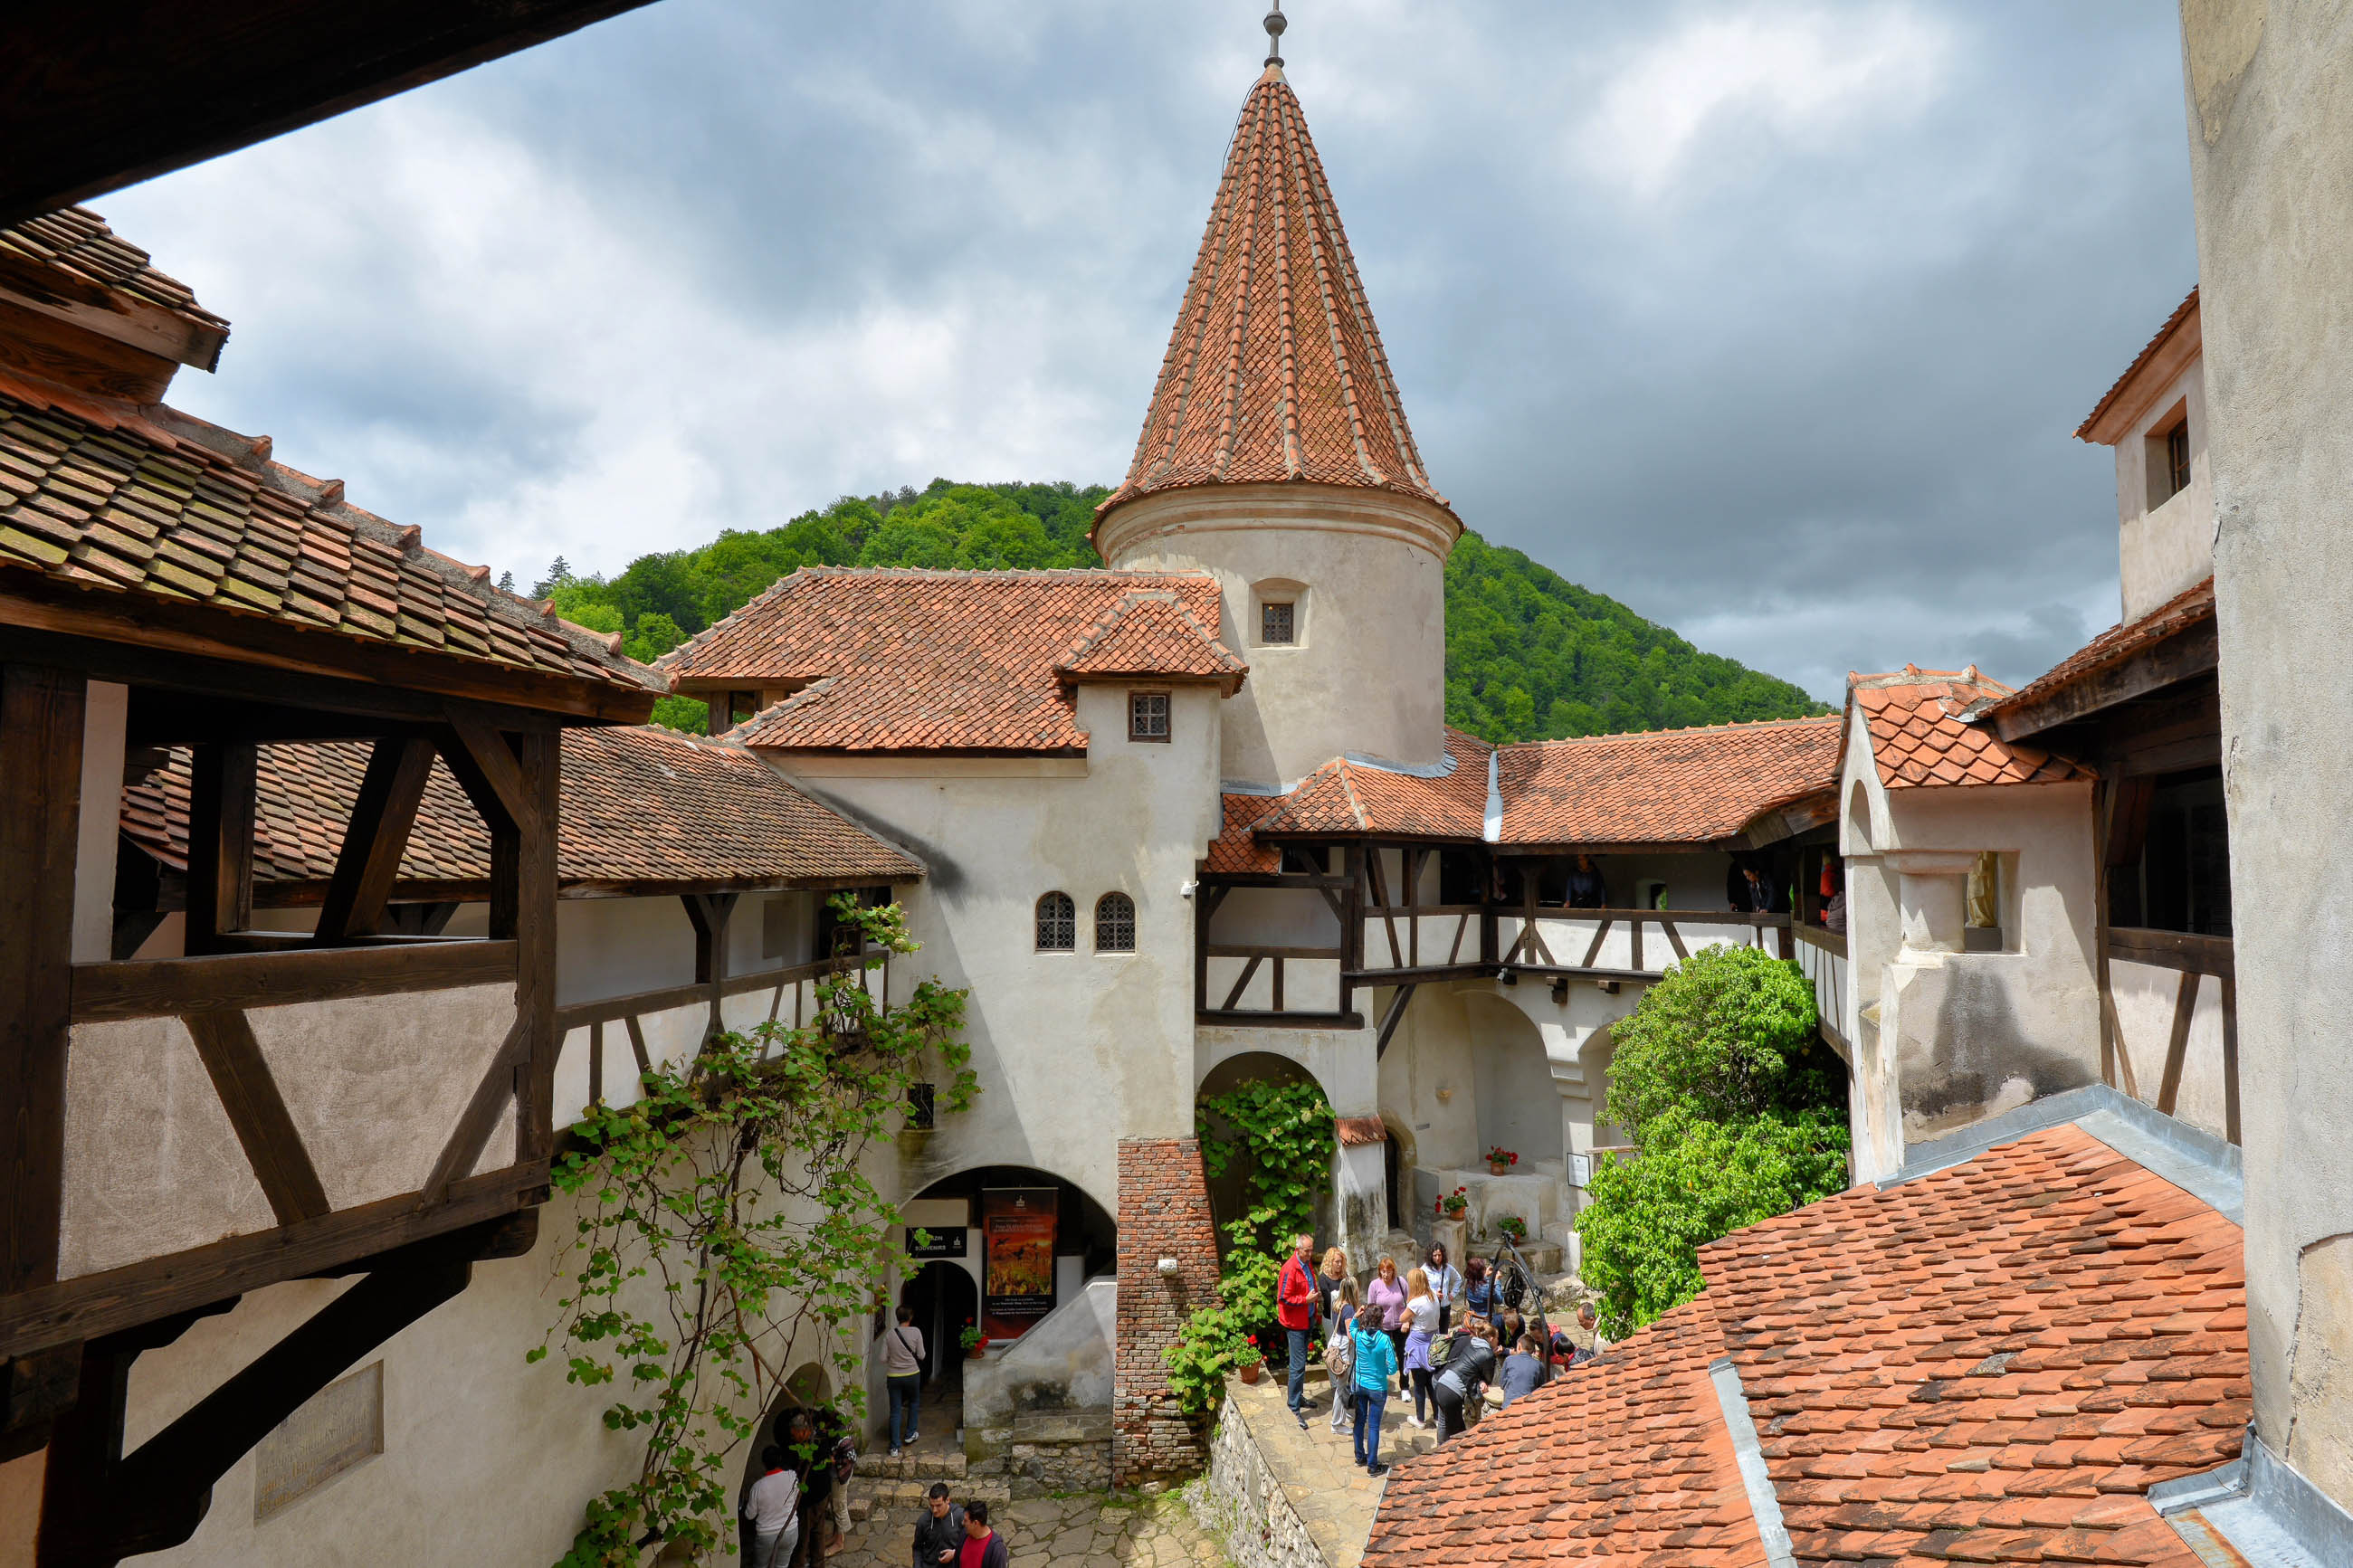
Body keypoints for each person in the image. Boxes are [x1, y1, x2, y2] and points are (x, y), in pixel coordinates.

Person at [1429, 1318, 1499, 1444]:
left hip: (1442, 1383)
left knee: (1445, 1423)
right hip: (1451, 1392)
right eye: (1497, 1338)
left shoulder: (1473, 1344)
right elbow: (1489, 1378)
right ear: (1492, 1338)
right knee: (1457, 1434)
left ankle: (1440, 1450)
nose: (1498, 1341)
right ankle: (1446, 1457)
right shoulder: (1487, 1354)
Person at [1349, 1307, 1397, 1477]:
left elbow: (1351, 1328)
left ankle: (1359, 1457)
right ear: (1380, 1321)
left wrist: (1356, 1316)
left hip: (1360, 1385)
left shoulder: (1358, 1336)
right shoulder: (1384, 1340)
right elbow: (1392, 1368)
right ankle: (1372, 1466)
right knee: (1374, 1427)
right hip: (1378, 1388)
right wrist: (1380, 1369)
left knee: (1359, 1421)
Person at [1277, 1231, 1319, 1428]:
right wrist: (1306, 1300)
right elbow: (1284, 1298)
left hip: (1307, 1319)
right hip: (1295, 1324)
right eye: (1307, 1251)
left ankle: (1298, 1397)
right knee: (1297, 1365)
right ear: (1298, 1250)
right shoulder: (1289, 1269)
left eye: (1311, 1250)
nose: (1310, 1254)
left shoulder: (1306, 1263)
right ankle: (1293, 1406)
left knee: (1301, 1364)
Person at [876, 1305, 926, 1456]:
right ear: (910, 1317)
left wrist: (895, 1358)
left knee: (895, 1410)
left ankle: (894, 1447)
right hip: (912, 1374)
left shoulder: (890, 1334)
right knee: (913, 1403)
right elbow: (922, 1355)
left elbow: (883, 1358)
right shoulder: (916, 1332)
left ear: (898, 1317)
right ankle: (910, 1434)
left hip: (894, 1377)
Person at [743, 1445, 801, 1568]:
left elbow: (749, 1515)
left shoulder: (758, 1487)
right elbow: (795, 1498)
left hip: (766, 1536)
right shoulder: (792, 1476)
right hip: (790, 1530)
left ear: (764, 1463)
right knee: (782, 1566)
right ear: (780, 1459)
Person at [1323, 1276, 1359, 1433]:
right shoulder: (1349, 1309)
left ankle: (1347, 1413)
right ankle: (1337, 1424)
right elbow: (1351, 1334)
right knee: (1341, 1386)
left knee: (1343, 1383)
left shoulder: (1337, 1304)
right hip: (1344, 1350)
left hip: (1336, 1345)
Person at [1400, 1270, 1435, 1428]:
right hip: (1432, 1343)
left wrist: (1409, 1320)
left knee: (1419, 1384)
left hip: (1418, 1346)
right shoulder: (1433, 1296)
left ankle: (1420, 1419)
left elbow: (1402, 1318)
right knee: (1430, 1383)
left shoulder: (1416, 1302)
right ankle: (1437, 1416)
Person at [1364, 1257, 1407, 1380]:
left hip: (1400, 1326)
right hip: (1382, 1328)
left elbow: (1410, 1303)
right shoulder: (1374, 1285)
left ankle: (1404, 1386)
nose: (1386, 1274)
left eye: (1388, 1271)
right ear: (1379, 1271)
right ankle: (1381, 1382)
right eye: (1383, 1271)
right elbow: (1370, 1308)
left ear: (1393, 1271)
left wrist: (1407, 1321)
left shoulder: (1401, 1282)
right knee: (1381, 1356)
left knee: (1402, 1356)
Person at [912, 1483, 965, 1568]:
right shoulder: (923, 1521)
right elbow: (917, 1548)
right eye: (932, 1506)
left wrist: (955, 1553)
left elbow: (972, 1544)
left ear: (947, 1500)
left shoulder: (961, 1517)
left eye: (938, 1505)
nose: (935, 1510)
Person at [957, 1498, 1009, 1568]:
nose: (962, 1523)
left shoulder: (997, 1549)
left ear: (975, 1523)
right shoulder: (964, 1535)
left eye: (966, 1520)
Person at [1424, 1242, 1462, 1334]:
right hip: (1431, 1306)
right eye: (1435, 1255)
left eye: (1439, 1255)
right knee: (1432, 1333)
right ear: (1430, 1256)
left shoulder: (1448, 1268)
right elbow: (1421, 1287)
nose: (1437, 1258)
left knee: (1443, 1333)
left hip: (1444, 1306)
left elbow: (1458, 1279)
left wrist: (1453, 1293)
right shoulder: (1425, 1269)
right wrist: (1433, 1294)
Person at [1500, 1332, 1546, 1408]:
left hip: (1508, 1405)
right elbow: (1540, 1388)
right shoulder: (1539, 1365)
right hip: (1528, 1406)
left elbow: (1502, 1384)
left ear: (1519, 1346)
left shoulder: (1509, 1360)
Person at [1461, 1257, 1497, 1326]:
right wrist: (1497, 1280)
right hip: (1485, 1320)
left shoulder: (1467, 1283)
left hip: (1472, 1319)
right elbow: (1499, 1300)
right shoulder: (1486, 1287)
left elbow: (1477, 1284)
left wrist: (1485, 1276)